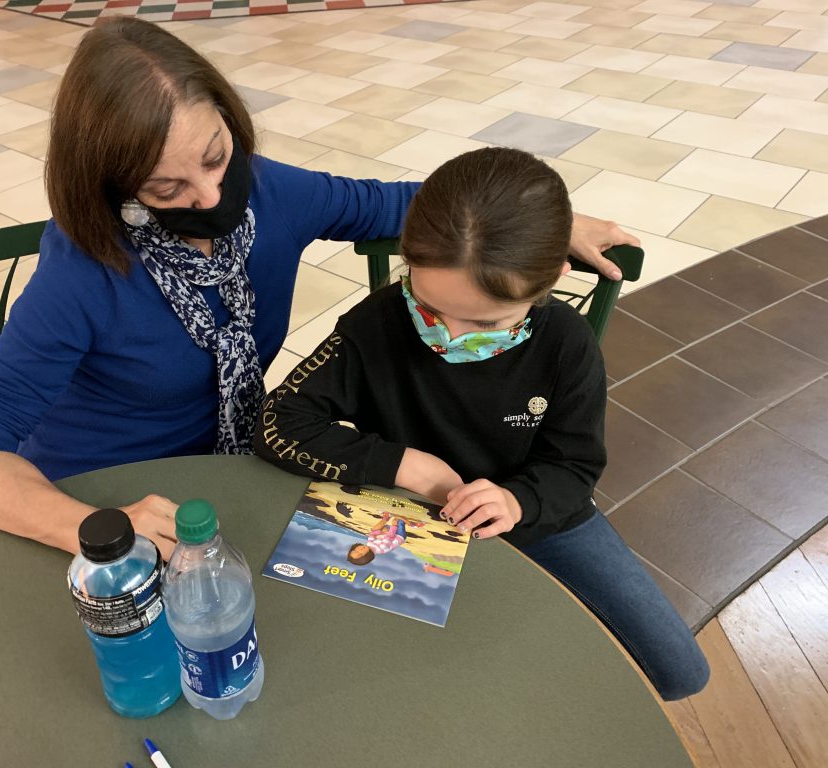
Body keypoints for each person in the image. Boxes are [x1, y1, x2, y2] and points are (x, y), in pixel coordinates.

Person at [0, 17, 638, 562]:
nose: (212, 196)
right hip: (111, 493)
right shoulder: (82, 270)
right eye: (167, 187)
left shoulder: (269, 192)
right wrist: (92, 525)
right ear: (115, 188)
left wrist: (541, 228)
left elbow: (393, 202)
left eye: (215, 155)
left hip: (243, 468)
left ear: (229, 118)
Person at [252, 147, 709, 701]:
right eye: (428, 303)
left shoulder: (565, 342)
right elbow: (278, 421)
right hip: (407, 513)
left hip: (536, 518)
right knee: (405, 682)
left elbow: (574, 466)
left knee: (681, 672)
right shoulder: (377, 322)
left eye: (487, 321)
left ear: (548, 285)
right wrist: (411, 467)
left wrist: (517, 502)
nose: (451, 336)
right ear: (408, 262)